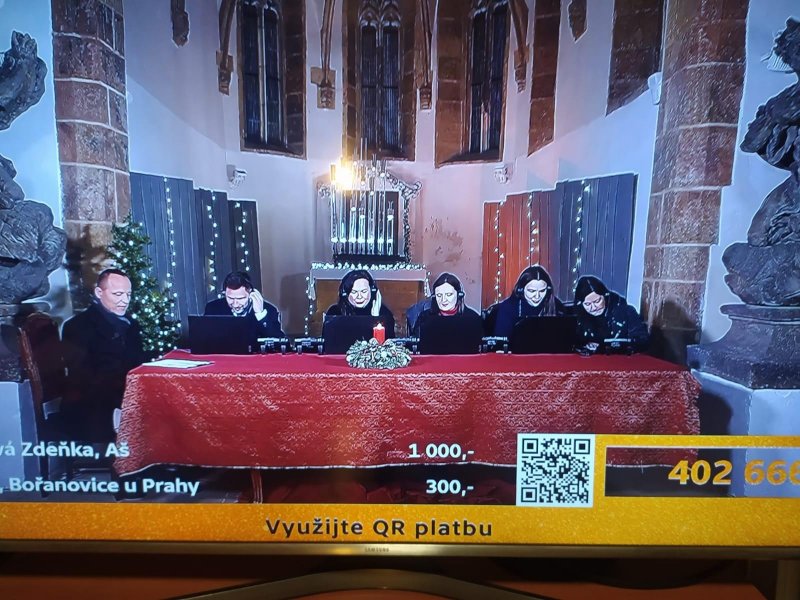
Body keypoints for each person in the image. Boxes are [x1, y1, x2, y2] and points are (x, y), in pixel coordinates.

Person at [61, 268, 147, 443]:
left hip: (123, 396)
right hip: (92, 407)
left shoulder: (131, 324)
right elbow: (84, 378)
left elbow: (136, 361)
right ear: (99, 293)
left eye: (128, 295)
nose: (125, 301)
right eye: (118, 294)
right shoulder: (77, 327)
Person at [574, 275, 649, 353]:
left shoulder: (626, 312)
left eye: (597, 301)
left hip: (620, 358)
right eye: (587, 304)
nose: (593, 307)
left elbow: (642, 341)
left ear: (605, 296)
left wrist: (612, 346)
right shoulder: (577, 317)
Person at [204, 271, 284, 338]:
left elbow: (278, 341)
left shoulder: (270, 310)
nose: (235, 304)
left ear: (251, 294)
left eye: (240, 298)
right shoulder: (212, 309)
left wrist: (260, 315)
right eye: (230, 298)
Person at [492, 265, 567, 337]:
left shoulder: (557, 305)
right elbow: (501, 341)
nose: (537, 296)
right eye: (531, 291)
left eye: (542, 291)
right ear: (521, 290)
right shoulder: (508, 308)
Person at [325, 269, 395, 337]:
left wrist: (375, 318)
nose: (359, 296)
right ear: (345, 293)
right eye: (354, 292)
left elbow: (387, 342)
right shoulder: (335, 312)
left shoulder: (384, 312)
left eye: (364, 291)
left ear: (372, 291)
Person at [410, 272, 481, 337]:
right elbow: (415, 342)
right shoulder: (424, 318)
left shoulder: (472, 318)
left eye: (449, 294)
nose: (443, 300)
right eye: (439, 295)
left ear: (459, 295)